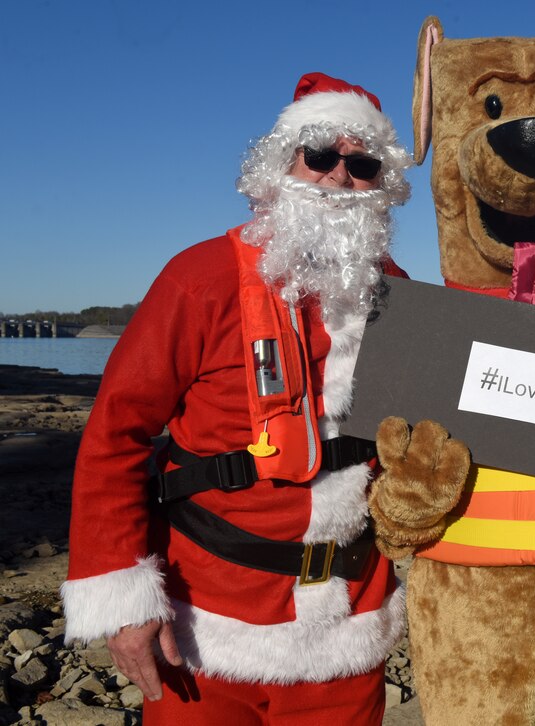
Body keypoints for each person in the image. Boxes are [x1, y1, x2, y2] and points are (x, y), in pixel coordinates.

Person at [60, 72, 450, 723]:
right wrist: (125, 602)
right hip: (206, 630)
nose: (338, 177)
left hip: (348, 638)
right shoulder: (200, 278)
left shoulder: (400, 296)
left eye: (362, 164)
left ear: (382, 183)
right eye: (320, 156)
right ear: (282, 165)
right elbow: (115, 436)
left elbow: (431, 437)